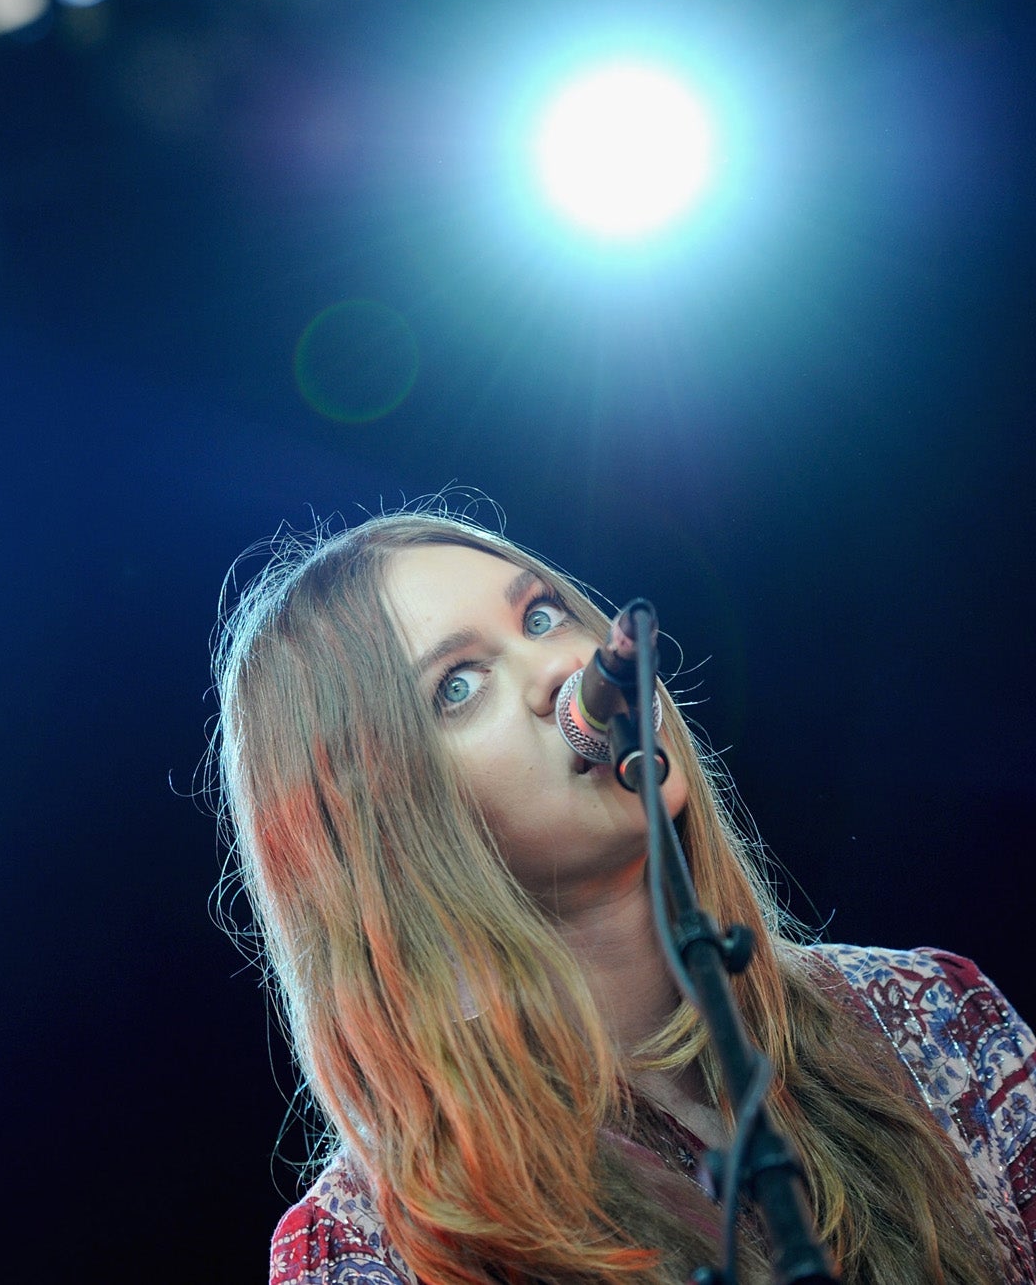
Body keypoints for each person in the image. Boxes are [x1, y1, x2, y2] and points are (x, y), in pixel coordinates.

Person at [210, 508, 1034, 1285]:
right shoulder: (367, 1248)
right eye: (458, 685)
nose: (565, 667)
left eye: (540, 617)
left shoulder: (931, 1018)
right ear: (379, 835)